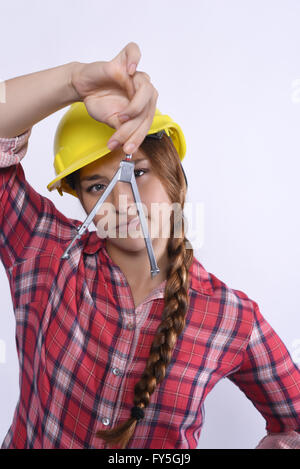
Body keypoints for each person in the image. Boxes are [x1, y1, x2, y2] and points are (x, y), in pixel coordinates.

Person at [0, 42, 299, 450]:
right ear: (81, 199)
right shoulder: (44, 249)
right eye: (97, 186)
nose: (123, 202)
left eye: (137, 172)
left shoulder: (232, 318)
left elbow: (292, 420)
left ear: (172, 171)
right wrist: (72, 80)